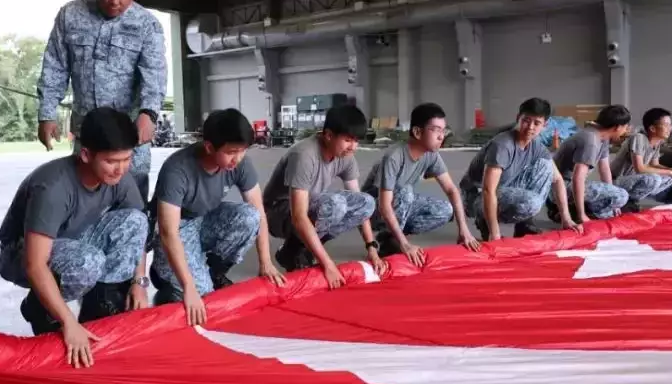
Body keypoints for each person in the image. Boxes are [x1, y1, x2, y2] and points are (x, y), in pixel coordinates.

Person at [0, 107, 150, 369]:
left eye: (127, 159)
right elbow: (35, 263)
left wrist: (139, 282)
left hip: (75, 242)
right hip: (20, 254)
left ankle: (100, 305)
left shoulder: (119, 177)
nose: (120, 168)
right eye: (112, 161)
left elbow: (137, 234)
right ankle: (41, 307)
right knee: (86, 261)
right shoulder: (52, 187)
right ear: (86, 154)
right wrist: (69, 322)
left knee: (136, 220)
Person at [35, 0, 167, 202]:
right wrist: (46, 113)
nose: (115, 0)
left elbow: (155, 73)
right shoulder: (70, 16)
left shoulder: (147, 25)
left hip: (130, 136)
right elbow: (55, 66)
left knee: (131, 206)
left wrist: (149, 113)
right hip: (88, 132)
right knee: (82, 199)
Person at [151, 108, 285, 325]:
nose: (237, 158)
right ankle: (165, 276)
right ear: (209, 147)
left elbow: (258, 210)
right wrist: (189, 287)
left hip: (206, 218)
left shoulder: (240, 163)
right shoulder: (177, 170)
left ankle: (214, 271)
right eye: (232, 152)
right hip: (180, 229)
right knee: (202, 295)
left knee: (249, 217)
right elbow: (168, 232)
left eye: (242, 151)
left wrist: (266, 262)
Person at [262, 104, 388, 287]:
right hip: (278, 213)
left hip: (307, 207)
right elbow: (298, 217)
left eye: (356, 140)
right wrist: (328, 264)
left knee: (366, 203)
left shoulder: (346, 156)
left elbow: (360, 202)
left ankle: (294, 251)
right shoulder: (304, 155)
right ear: (328, 135)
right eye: (348, 140)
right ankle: (295, 249)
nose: (353, 147)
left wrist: (372, 249)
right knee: (335, 204)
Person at [362, 103, 479, 265]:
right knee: (406, 192)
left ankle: (391, 238)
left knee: (445, 210)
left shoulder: (431, 155)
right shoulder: (394, 157)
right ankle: (392, 240)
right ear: (417, 132)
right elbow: (384, 205)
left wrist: (464, 230)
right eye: (436, 130)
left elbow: (451, 190)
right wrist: (405, 244)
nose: (441, 136)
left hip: (399, 204)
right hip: (373, 212)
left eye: (443, 130)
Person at [460, 97, 583, 241]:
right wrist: (495, 234)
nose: (530, 127)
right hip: (476, 197)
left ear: (545, 125)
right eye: (526, 120)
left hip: (504, 188)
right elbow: (488, 190)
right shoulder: (502, 146)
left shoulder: (536, 145)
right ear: (518, 118)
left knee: (545, 166)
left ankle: (524, 224)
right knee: (531, 202)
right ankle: (485, 221)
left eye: (537, 123)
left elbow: (557, 179)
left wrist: (566, 219)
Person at [548, 104, 631, 221]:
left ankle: (573, 210)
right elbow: (578, 178)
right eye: (625, 127)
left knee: (615, 202)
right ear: (617, 127)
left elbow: (605, 169)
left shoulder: (602, 136)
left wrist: (614, 202)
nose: (625, 131)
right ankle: (574, 212)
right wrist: (582, 215)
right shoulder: (591, 140)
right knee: (621, 195)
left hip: (568, 184)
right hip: (560, 187)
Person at [610, 107, 672, 211]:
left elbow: (655, 164)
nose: (670, 128)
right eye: (666, 125)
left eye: (670, 125)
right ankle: (628, 202)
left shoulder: (657, 143)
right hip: (616, 181)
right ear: (652, 128)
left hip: (633, 181)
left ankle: (671, 198)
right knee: (653, 179)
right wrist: (669, 172)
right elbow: (639, 168)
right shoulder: (638, 138)